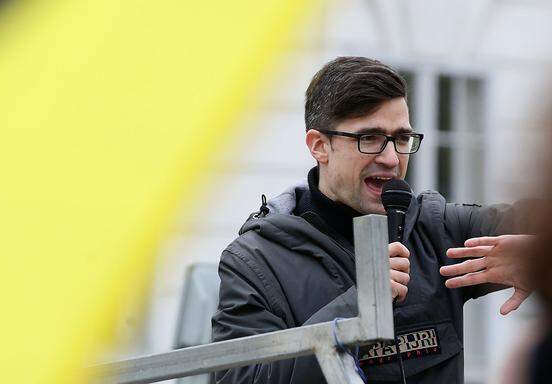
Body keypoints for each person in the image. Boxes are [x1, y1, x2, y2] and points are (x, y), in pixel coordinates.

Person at [211, 56, 533, 383]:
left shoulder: (434, 230)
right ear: (319, 146)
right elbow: (244, 379)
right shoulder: (255, 264)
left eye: (402, 139)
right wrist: (357, 308)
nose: (391, 159)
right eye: (370, 138)